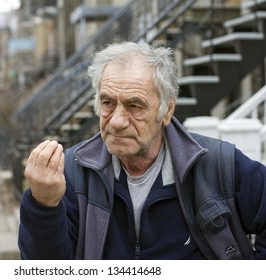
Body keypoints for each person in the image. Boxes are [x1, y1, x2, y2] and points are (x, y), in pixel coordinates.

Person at [18, 41, 266, 260]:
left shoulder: (218, 165)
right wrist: (43, 204)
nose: (116, 120)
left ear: (167, 111)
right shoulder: (72, 172)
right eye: (107, 103)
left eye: (134, 105)